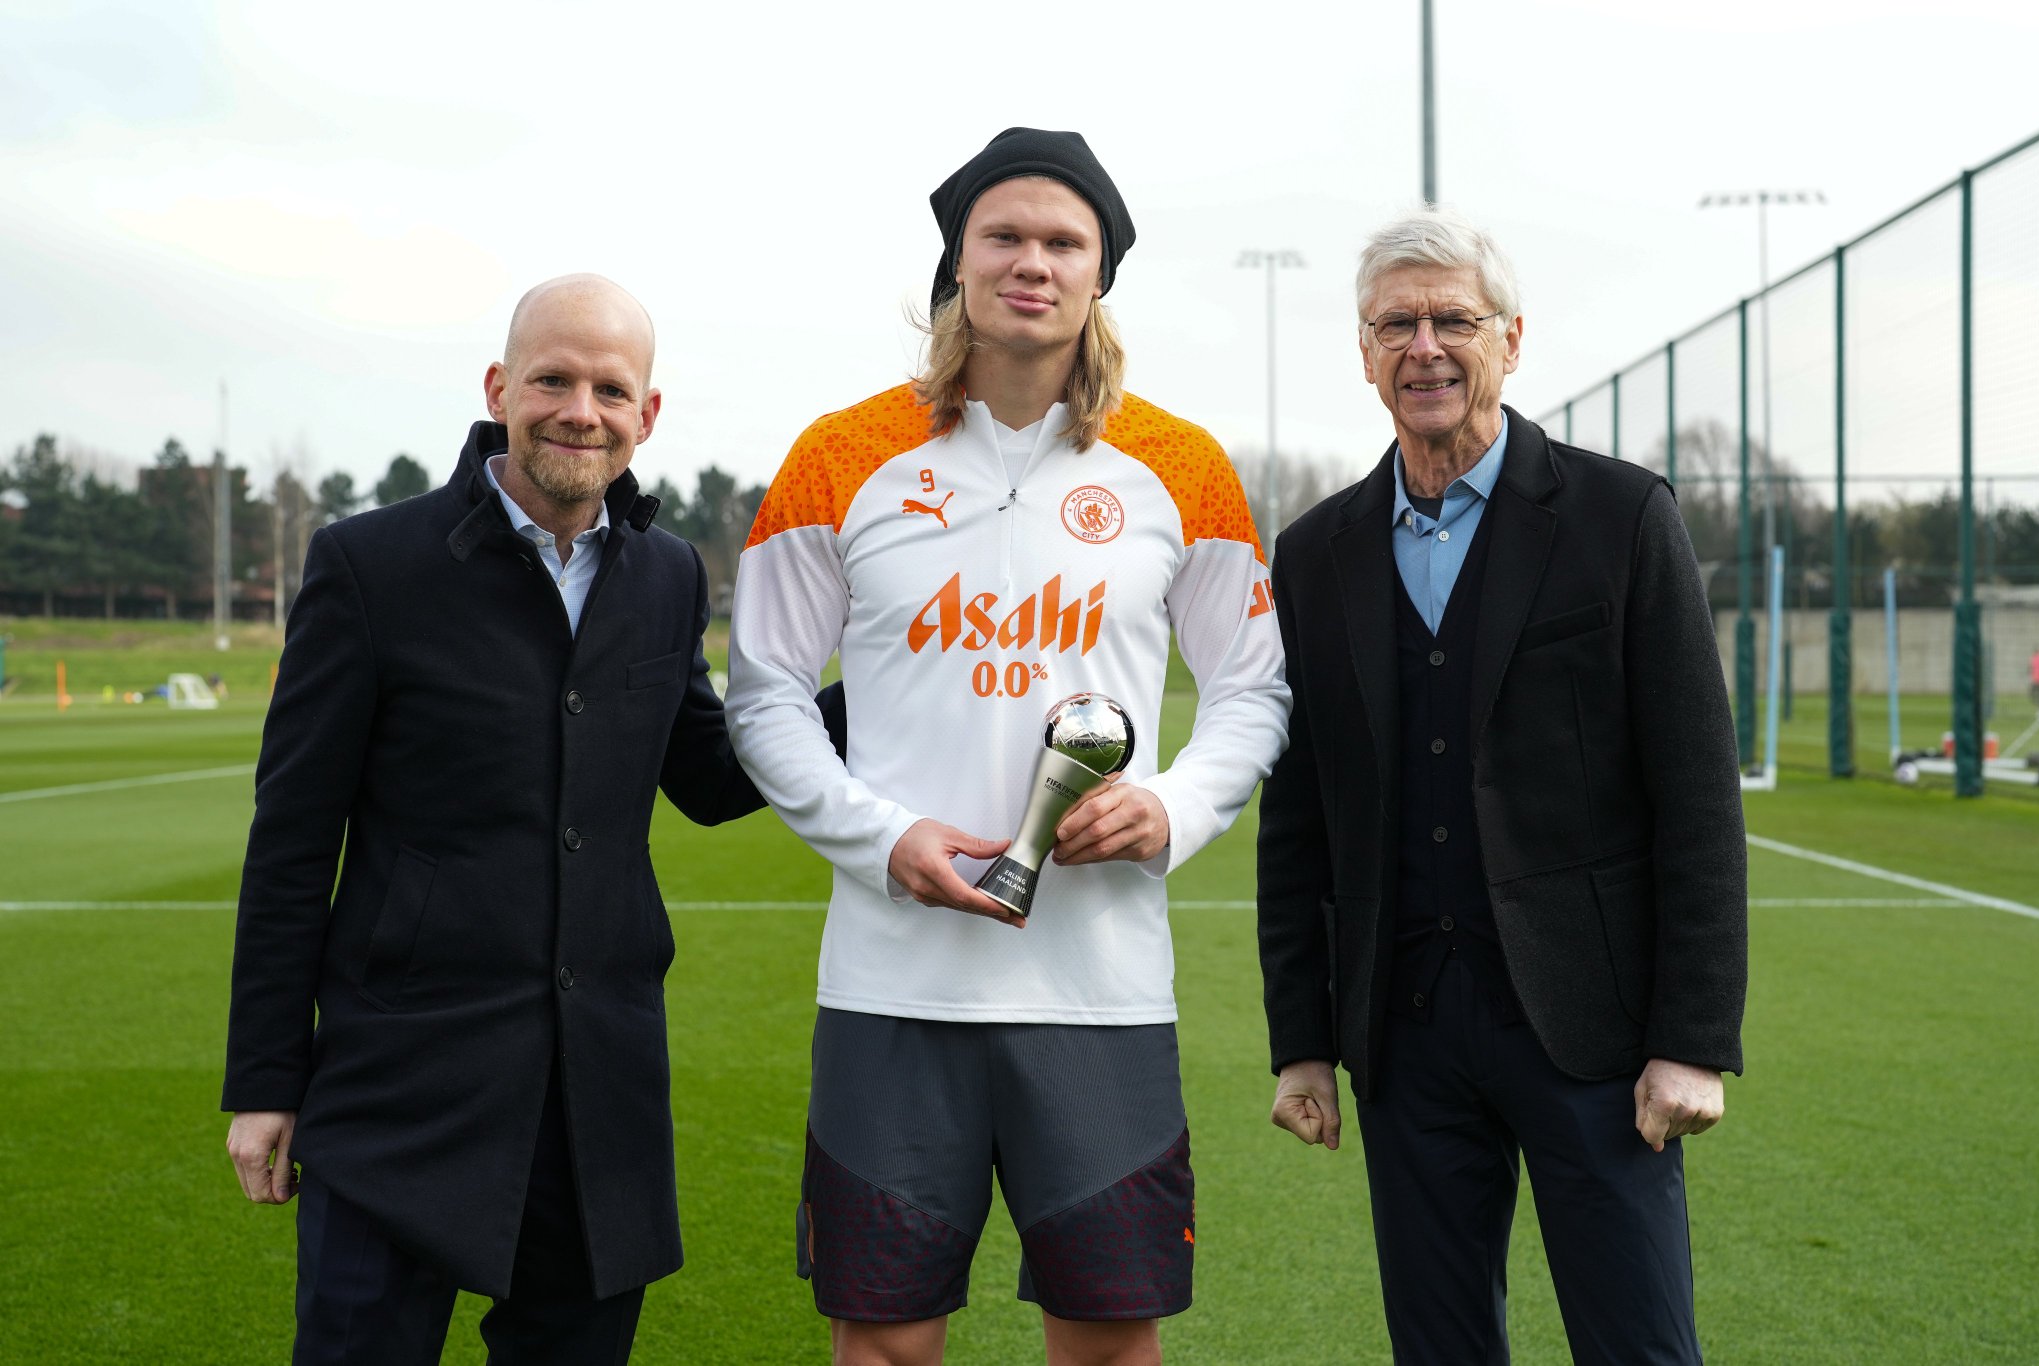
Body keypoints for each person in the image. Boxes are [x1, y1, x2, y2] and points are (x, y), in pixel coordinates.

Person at [725, 128, 1288, 1366]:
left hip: (1099, 994)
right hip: (888, 987)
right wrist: (884, 840)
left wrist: (1171, 809)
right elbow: (763, 694)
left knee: (1107, 1342)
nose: (1031, 262)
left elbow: (1251, 692)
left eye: (1061, 242)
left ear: (1098, 277)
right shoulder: (838, 454)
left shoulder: (1181, 468)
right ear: (959, 261)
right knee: (883, 1342)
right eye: (1004, 237)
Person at [222, 274, 843, 1365]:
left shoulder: (662, 574)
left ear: (646, 415)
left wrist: (885, 678)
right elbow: (290, 839)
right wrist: (267, 1080)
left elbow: (706, 774)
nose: (579, 410)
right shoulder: (369, 565)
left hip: (595, 1090)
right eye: (552, 380)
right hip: (400, 1081)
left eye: (611, 388)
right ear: (500, 387)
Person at [1256, 208, 1748, 1363]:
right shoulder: (1316, 551)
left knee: (1636, 1343)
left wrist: (1691, 1036)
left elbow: (1695, 793)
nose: (1422, 347)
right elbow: (1301, 815)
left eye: (1451, 320)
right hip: (1404, 1033)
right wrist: (1301, 1040)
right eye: (1393, 325)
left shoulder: (1620, 514)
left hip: (1593, 1033)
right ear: (1364, 349)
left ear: (1510, 341)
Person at [2029, 645, 2039, 711]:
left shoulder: (2034, 658)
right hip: (2038, 678)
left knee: (2036, 692)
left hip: (2038, 678)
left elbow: (2030, 667)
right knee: (2038, 692)